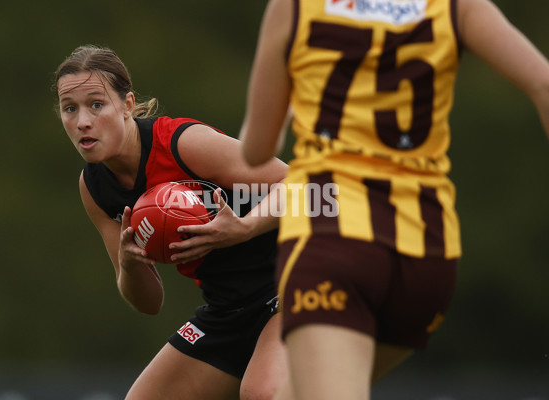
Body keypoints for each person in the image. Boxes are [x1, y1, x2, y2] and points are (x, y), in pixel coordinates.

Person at [236, 0, 549, 399]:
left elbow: (256, 151)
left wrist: (289, 101)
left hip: (334, 242)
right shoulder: (455, 6)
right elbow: (543, 83)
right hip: (428, 254)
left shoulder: (296, 7)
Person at [52, 45, 290, 400]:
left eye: (96, 104)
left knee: (262, 393)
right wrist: (131, 266)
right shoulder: (95, 188)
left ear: (128, 105)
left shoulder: (182, 144)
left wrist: (245, 227)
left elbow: (309, 186)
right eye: (70, 108)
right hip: (228, 308)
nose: (83, 121)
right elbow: (149, 303)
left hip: (294, 281)